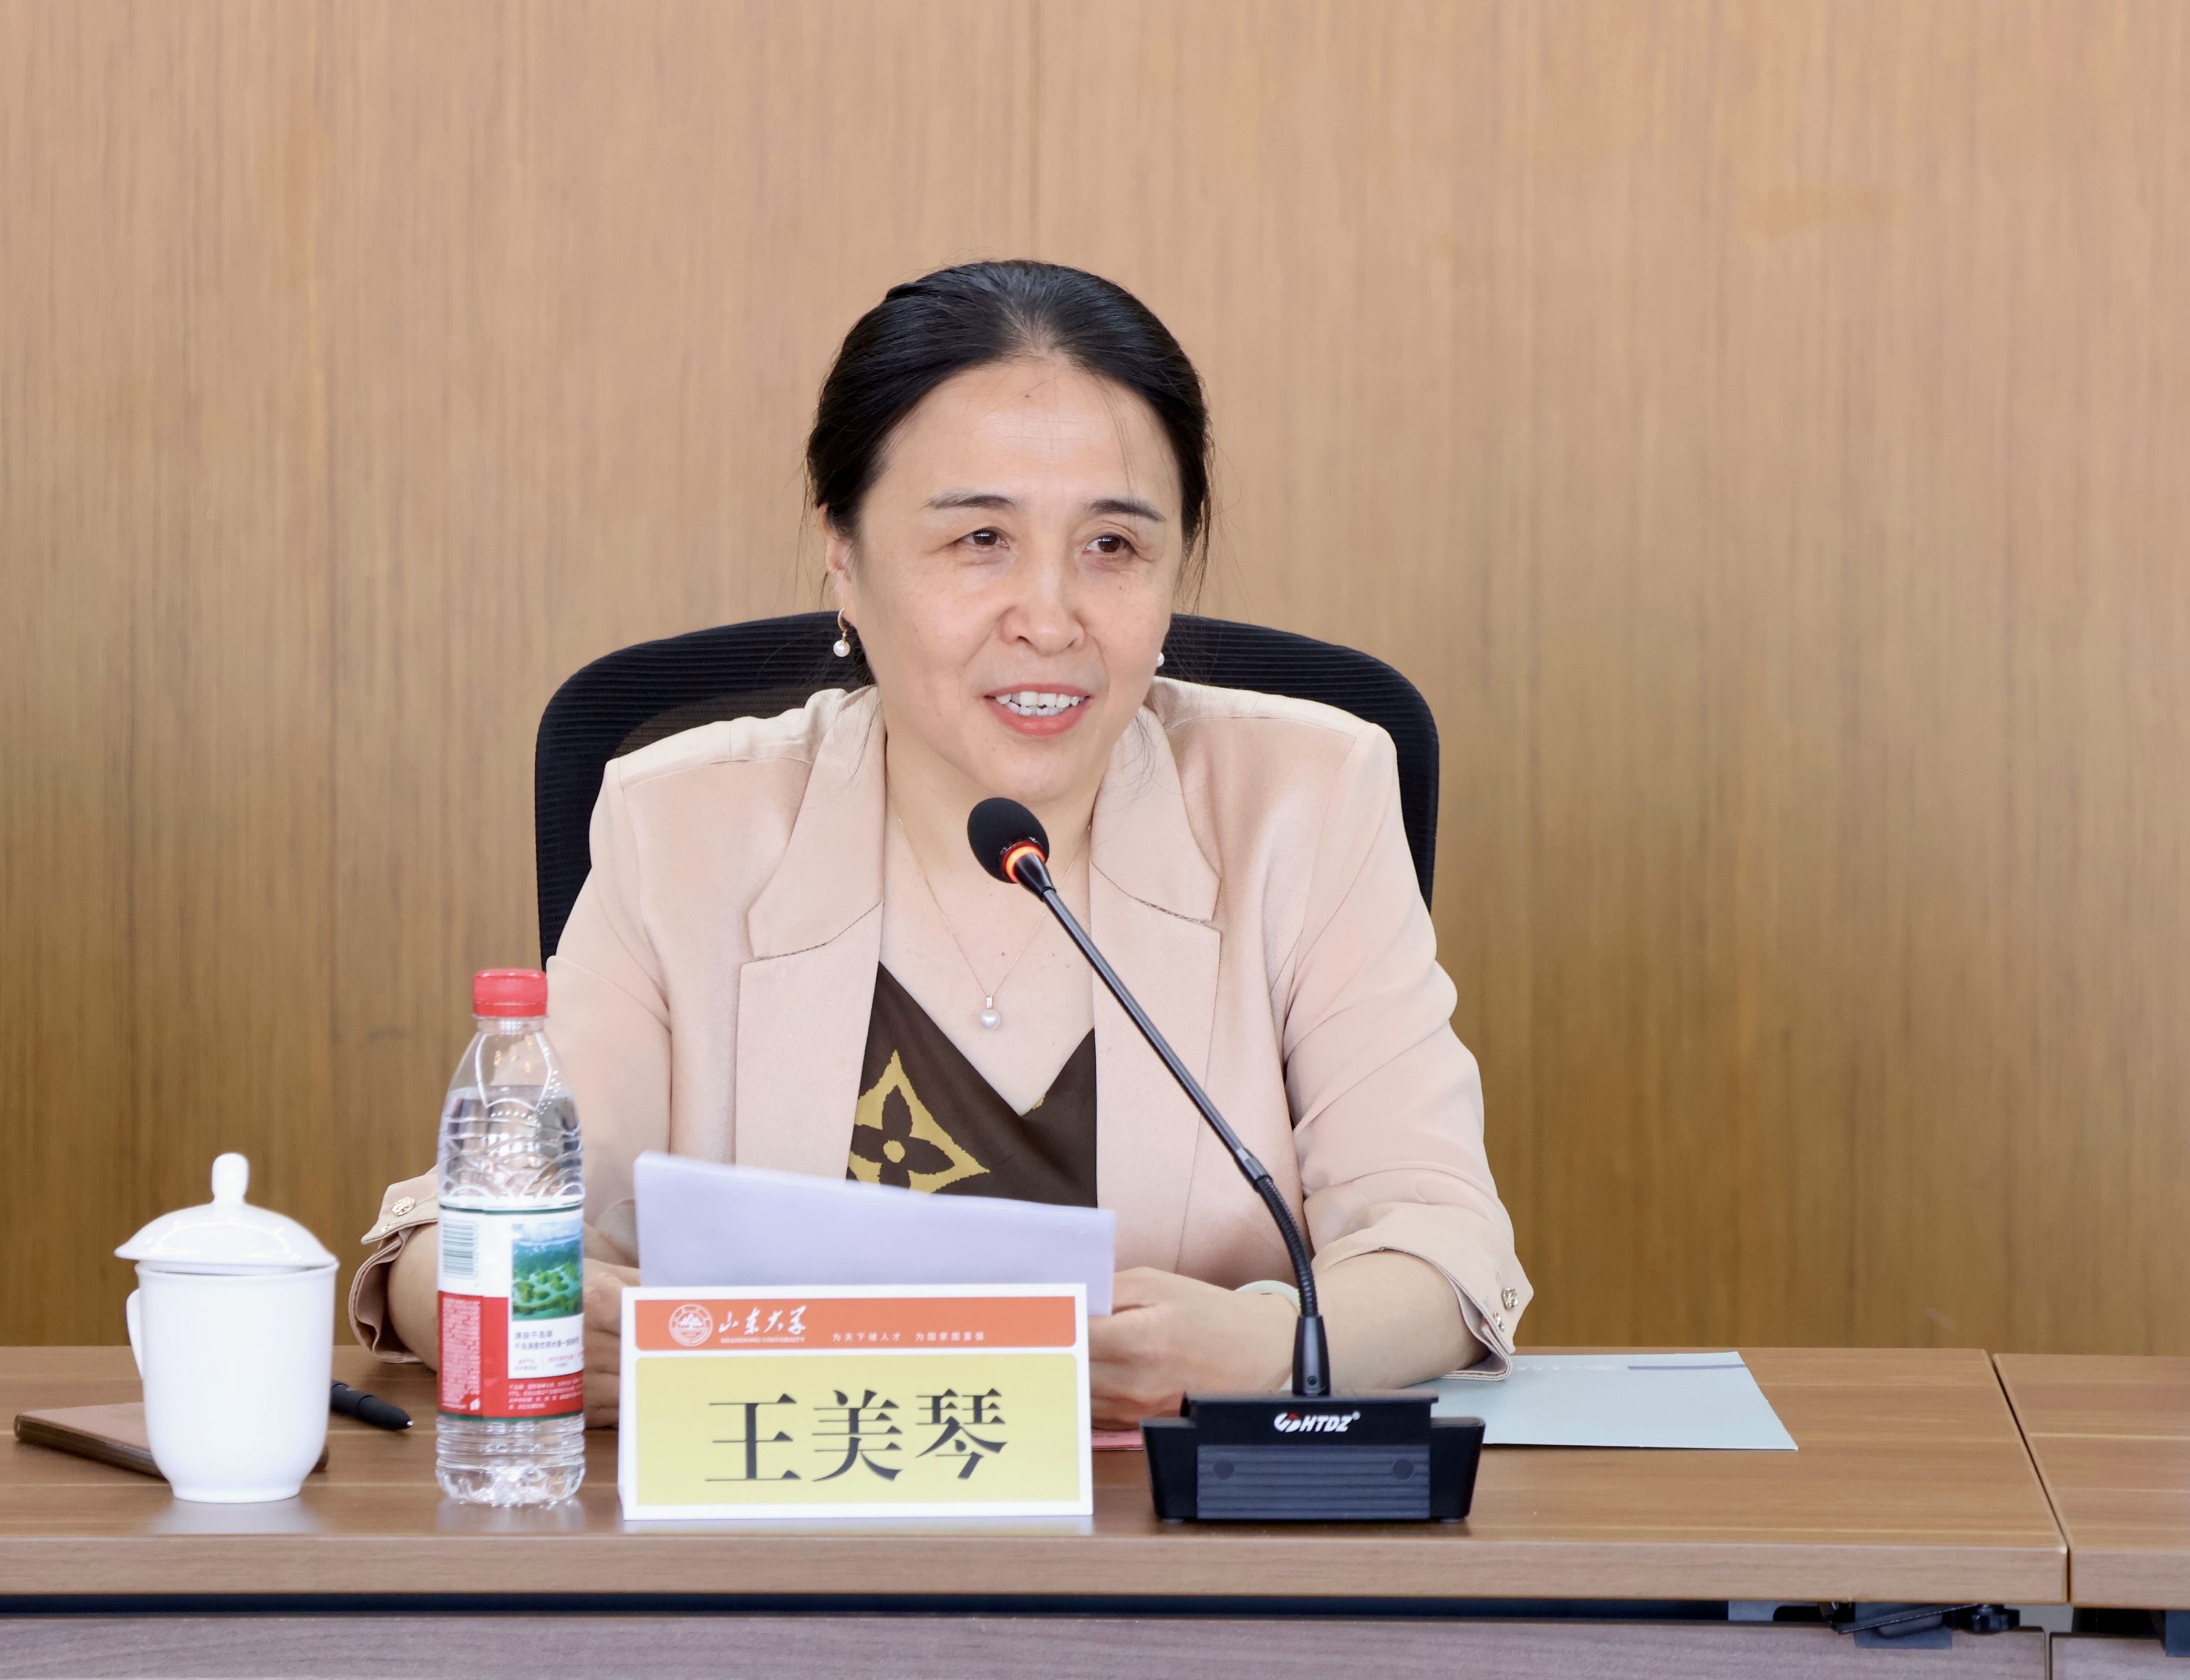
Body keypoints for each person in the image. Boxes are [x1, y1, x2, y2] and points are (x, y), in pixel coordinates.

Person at [351, 260, 1530, 1426]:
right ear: (844, 554)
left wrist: (1278, 1351)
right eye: (979, 539)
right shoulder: (683, 823)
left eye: (1112, 547)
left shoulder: (1305, 800)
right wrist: (539, 1313)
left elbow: (1442, 1245)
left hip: (1178, 1525)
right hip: (792, 1516)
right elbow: (447, 1243)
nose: (1049, 619)